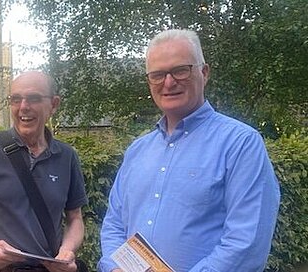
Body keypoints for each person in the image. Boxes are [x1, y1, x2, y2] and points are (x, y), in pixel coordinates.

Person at [98, 29, 280, 272]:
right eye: (158, 74)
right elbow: (114, 225)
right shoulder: (137, 150)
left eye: (181, 70)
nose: (169, 82)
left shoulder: (241, 144)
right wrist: (113, 267)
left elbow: (246, 242)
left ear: (204, 73)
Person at [0, 71, 88, 272]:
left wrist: (67, 251)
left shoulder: (67, 156)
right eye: (15, 99)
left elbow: (75, 219)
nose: (23, 107)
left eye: (34, 98)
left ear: (54, 104)